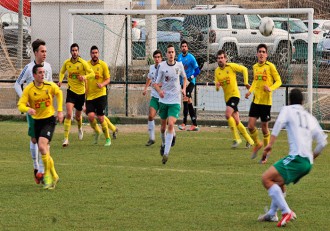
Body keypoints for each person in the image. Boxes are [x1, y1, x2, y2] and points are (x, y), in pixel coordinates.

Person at [257, 88, 327, 227]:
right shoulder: (310, 117)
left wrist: (270, 144)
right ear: (302, 101)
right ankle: (272, 214)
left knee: (266, 178)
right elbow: (323, 142)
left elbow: (278, 125)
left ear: (289, 100)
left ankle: (286, 211)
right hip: (307, 163)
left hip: (297, 159)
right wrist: (312, 157)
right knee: (279, 182)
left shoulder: (287, 110)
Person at [18, 64, 64, 189]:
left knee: (43, 147)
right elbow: (20, 104)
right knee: (45, 151)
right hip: (37, 122)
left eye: (43, 72)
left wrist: (59, 111)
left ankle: (47, 176)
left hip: (49, 120)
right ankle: (55, 175)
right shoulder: (29, 89)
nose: (42, 75)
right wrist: (28, 109)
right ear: (34, 75)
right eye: (40, 73)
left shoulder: (49, 86)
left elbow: (59, 93)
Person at [14, 39, 52, 184]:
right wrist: (25, 99)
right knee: (35, 139)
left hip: (46, 110)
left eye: (46, 51)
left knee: (45, 141)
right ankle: (36, 167)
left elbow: (50, 85)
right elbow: (17, 84)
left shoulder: (48, 67)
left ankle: (43, 172)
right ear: (35, 52)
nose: (45, 54)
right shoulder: (29, 68)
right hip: (33, 111)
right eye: (42, 51)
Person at [245, 44, 282, 160]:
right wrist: (250, 91)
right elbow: (255, 81)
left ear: (266, 55)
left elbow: (279, 81)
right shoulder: (255, 67)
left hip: (266, 103)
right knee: (250, 126)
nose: (261, 53)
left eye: (263, 52)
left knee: (265, 128)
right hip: (256, 100)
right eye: (259, 51)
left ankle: (265, 153)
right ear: (257, 54)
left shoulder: (270, 66)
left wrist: (271, 88)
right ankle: (258, 144)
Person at [153, 44, 187, 164]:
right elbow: (155, 84)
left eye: (172, 52)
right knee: (163, 127)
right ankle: (163, 144)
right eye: (169, 52)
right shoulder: (161, 66)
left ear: (174, 53)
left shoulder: (179, 65)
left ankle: (166, 153)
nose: (171, 54)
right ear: (166, 54)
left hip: (175, 101)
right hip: (163, 100)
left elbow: (185, 78)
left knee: (171, 124)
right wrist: (160, 91)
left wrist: (183, 89)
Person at [214, 50, 254, 148]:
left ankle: (237, 139)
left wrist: (245, 82)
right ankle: (250, 141)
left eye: (222, 58)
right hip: (227, 98)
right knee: (236, 121)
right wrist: (218, 86)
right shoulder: (217, 71)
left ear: (225, 59)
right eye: (218, 58)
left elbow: (244, 69)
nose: (220, 60)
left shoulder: (231, 66)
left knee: (228, 115)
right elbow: (217, 87)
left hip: (235, 95)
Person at [58, 43, 94, 147]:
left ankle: (80, 128)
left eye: (76, 50)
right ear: (71, 52)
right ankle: (65, 139)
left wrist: (84, 77)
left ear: (78, 52)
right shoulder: (67, 63)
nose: (74, 52)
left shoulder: (82, 63)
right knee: (69, 114)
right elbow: (61, 72)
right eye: (73, 50)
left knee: (78, 116)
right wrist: (60, 80)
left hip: (81, 93)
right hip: (71, 92)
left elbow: (92, 74)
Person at [86, 45, 112, 146]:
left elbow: (108, 79)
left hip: (101, 94)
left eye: (96, 53)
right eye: (93, 53)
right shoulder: (87, 65)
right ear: (90, 54)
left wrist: (102, 84)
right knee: (90, 116)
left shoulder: (103, 65)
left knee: (101, 118)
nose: (95, 55)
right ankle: (97, 131)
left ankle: (108, 139)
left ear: (98, 54)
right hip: (90, 95)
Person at [177, 40, 200, 131]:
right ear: (181, 48)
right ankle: (194, 124)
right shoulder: (179, 57)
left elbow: (197, 70)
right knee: (188, 101)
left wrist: (191, 77)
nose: (184, 48)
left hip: (190, 82)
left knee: (186, 98)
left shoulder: (191, 58)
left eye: (185, 46)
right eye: (182, 46)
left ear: (188, 48)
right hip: (183, 83)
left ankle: (184, 123)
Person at [143, 49, 163, 146]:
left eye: (159, 57)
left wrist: (160, 84)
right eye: (155, 57)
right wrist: (145, 88)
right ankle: (151, 138)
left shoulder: (164, 67)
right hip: (155, 96)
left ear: (161, 58)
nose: (157, 59)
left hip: (164, 98)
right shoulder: (151, 68)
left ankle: (172, 136)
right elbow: (149, 77)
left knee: (166, 120)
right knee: (150, 116)